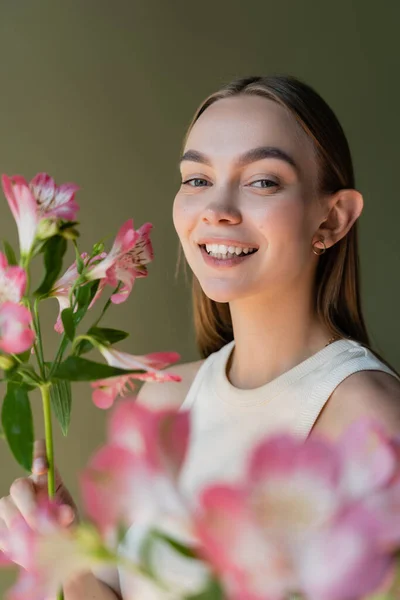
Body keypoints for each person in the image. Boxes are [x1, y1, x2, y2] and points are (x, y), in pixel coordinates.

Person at [1, 74, 400, 600]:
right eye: (196, 180)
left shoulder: (368, 421)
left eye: (263, 181)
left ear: (332, 217)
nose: (217, 208)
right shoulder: (164, 397)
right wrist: (68, 559)